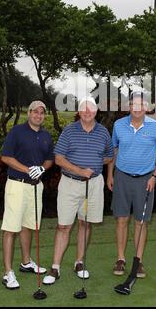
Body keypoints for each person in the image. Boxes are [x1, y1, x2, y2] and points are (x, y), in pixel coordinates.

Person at [43, 97, 114, 285]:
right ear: (79, 112)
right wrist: (80, 170)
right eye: (84, 110)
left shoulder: (103, 132)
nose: (87, 112)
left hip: (94, 184)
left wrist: (99, 166)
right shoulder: (69, 131)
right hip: (70, 184)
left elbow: (109, 156)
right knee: (63, 226)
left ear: (96, 112)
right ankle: (55, 267)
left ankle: (79, 262)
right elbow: (58, 158)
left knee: (85, 224)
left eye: (91, 109)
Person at [107, 92, 156, 278]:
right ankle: (121, 259)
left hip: (146, 179)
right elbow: (113, 150)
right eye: (134, 104)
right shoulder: (118, 125)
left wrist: (155, 176)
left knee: (141, 221)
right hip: (122, 177)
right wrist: (110, 174)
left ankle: (138, 260)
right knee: (122, 219)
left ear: (147, 107)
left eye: (141, 104)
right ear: (129, 106)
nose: (138, 108)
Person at [0, 100, 54, 290]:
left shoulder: (46, 135)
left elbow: (49, 159)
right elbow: (5, 156)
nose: (38, 115)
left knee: (28, 226)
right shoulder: (17, 132)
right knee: (11, 228)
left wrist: (41, 168)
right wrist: (27, 169)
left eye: (42, 113)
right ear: (28, 113)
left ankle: (25, 262)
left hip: (35, 187)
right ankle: (7, 272)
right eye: (35, 112)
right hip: (17, 186)